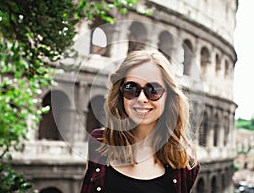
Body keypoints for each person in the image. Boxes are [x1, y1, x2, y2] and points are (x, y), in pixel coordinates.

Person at [81, 50, 200, 193]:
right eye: (131, 88)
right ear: (120, 94)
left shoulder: (185, 167)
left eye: (153, 89)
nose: (141, 99)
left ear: (169, 97)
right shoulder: (99, 142)